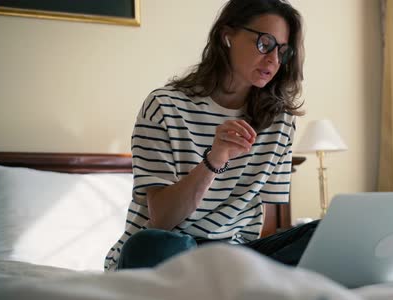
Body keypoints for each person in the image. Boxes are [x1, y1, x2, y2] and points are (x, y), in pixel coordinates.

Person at [105, 0, 319, 271]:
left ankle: (230, 280)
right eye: (265, 44)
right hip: (167, 248)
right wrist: (214, 159)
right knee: (152, 245)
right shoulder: (165, 106)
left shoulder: (280, 121)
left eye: (283, 51)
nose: (274, 60)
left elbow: (270, 223)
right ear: (226, 36)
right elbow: (161, 220)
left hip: (234, 257)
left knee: (325, 233)